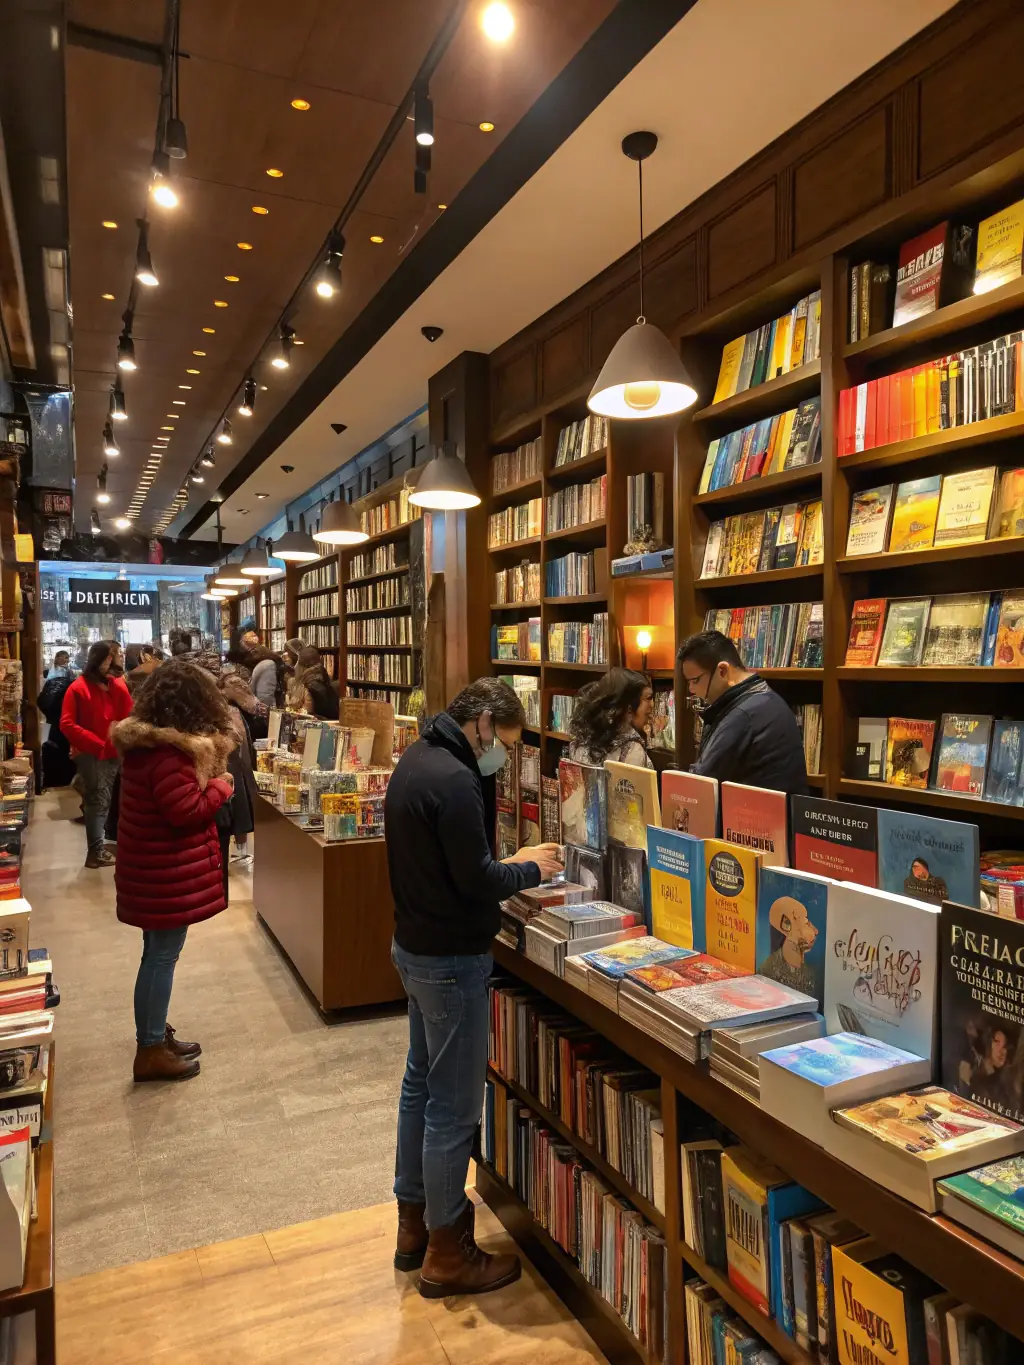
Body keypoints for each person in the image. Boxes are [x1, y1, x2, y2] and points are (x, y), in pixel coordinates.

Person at [385, 677, 563, 1297]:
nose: (504, 758)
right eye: (504, 745)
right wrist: (531, 867)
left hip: (413, 945)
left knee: (418, 1085)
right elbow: (477, 879)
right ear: (483, 722)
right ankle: (446, 1251)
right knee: (453, 1109)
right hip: (452, 959)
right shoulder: (456, 780)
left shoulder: (417, 757)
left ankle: (413, 1223)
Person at [111, 659, 236, 1082]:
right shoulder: (169, 754)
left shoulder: (148, 747)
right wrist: (220, 787)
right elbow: (185, 811)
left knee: (157, 954)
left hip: (153, 873)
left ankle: (153, 1034)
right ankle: (149, 1047)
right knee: (161, 958)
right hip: (164, 876)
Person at [678, 631, 807, 794]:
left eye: (695, 680)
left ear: (723, 671)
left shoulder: (745, 714)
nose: (691, 689)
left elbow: (701, 782)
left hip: (760, 816)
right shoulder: (763, 698)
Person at [60, 642, 133, 867]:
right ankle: (95, 852)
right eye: (116, 655)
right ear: (105, 659)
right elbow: (67, 723)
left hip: (112, 752)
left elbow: (128, 714)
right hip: (93, 753)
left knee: (103, 800)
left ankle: (97, 849)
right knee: (97, 801)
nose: (120, 658)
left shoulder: (115, 684)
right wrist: (97, 743)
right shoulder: (78, 687)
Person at [567, 667, 654, 768]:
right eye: (648, 698)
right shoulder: (632, 750)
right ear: (629, 709)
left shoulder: (581, 743)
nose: (652, 704)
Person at [287, 645, 339, 719]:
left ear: (304, 665)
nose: (295, 667)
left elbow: (317, 712)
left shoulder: (313, 684)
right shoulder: (320, 678)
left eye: (298, 662)